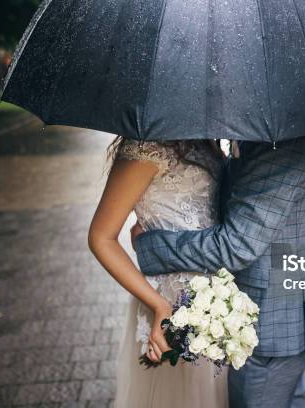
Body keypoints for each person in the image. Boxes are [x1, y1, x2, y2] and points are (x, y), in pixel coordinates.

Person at [132, 134, 305, 408]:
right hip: (278, 308)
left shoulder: (285, 142)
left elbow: (236, 245)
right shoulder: (276, 128)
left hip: (271, 322)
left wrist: (152, 245)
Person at [88, 138, 227, 408]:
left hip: (214, 295)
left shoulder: (204, 139)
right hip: (169, 300)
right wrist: (159, 306)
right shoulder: (145, 146)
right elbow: (100, 237)